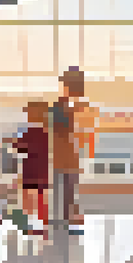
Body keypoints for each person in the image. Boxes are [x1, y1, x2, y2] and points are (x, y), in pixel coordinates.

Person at [51, 68, 96, 229]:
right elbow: (60, 128)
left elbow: (83, 130)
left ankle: (66, 217)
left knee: (68, 188)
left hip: (70, 154)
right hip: (64, 153)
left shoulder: (77, 105)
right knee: (63, 188)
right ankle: (63, 218)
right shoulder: (63, 105)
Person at [11, 100, 51, 235]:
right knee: (42, 200)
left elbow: (19, 146)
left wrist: (14, 142)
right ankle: (44, 225)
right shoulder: (48, 132)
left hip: (30, 171)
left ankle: (30, 226)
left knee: (29, 200)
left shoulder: (30, 132)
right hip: (44, 171)